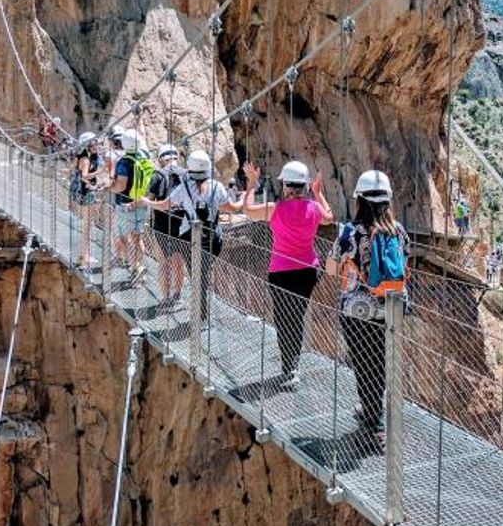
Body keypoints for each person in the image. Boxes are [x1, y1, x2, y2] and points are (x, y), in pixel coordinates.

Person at [328, 169, 409, 439]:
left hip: (357, 310)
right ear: (388, 200)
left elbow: (330, 267)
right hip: (391, 307)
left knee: (363, 363)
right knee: (380, 361)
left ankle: (374, 421)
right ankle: (375, 412)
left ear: (359, 200)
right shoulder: (398, 231)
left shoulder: (352, 232)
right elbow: (404, 264)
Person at [242, 160, 335, 389]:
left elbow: (247, 211)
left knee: (284, 319)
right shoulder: (313, 208)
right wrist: (319, 193)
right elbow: (329, 218)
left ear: (285, 186)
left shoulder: (276, 208)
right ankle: (293, 364)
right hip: (308, 270)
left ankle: (290, 367)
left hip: (281, 271)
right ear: (304, 186)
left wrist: (252, 183)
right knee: (297, 314)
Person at [137, 149, 241, 325]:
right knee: (202, 274)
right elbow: (232, 208)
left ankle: (199, 315)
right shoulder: (217, 187)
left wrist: (147, 202)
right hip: (213, 239)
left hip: (190, 239)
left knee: (197, 276)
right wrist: (246, 196)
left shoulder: (183, 188)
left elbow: (164, 205)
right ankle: (201, 315)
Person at [109, 128, 153, 284]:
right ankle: (139, 265)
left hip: (125, 205)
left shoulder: (124, 162)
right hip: (141, 203)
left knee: (121, 237)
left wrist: (109, 187)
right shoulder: (145, 157)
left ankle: (135, 267)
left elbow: (121, 186)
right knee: (137, 237)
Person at [146, 144, 187, 307]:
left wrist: (145, 202)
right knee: (179, 260)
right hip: (183, 224)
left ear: (161, 159)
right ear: (176, 157)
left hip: (162, 224)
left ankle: (165, 298)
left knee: (163, 262)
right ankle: (177, 295)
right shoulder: (186, 175)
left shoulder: (158, 175)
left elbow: (151, 198)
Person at [68, 132, 102, 269]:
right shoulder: (86, 159)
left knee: (87, 225)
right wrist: (99, 172)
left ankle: (84, 255)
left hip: (82, 193)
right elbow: (85, 176)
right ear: (87, 145)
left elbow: (71, 170)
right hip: (86, 194)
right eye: (94, 143)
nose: (97, 145)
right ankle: (84, 257)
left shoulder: (79, 157)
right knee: (87, 226)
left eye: (97, 143)